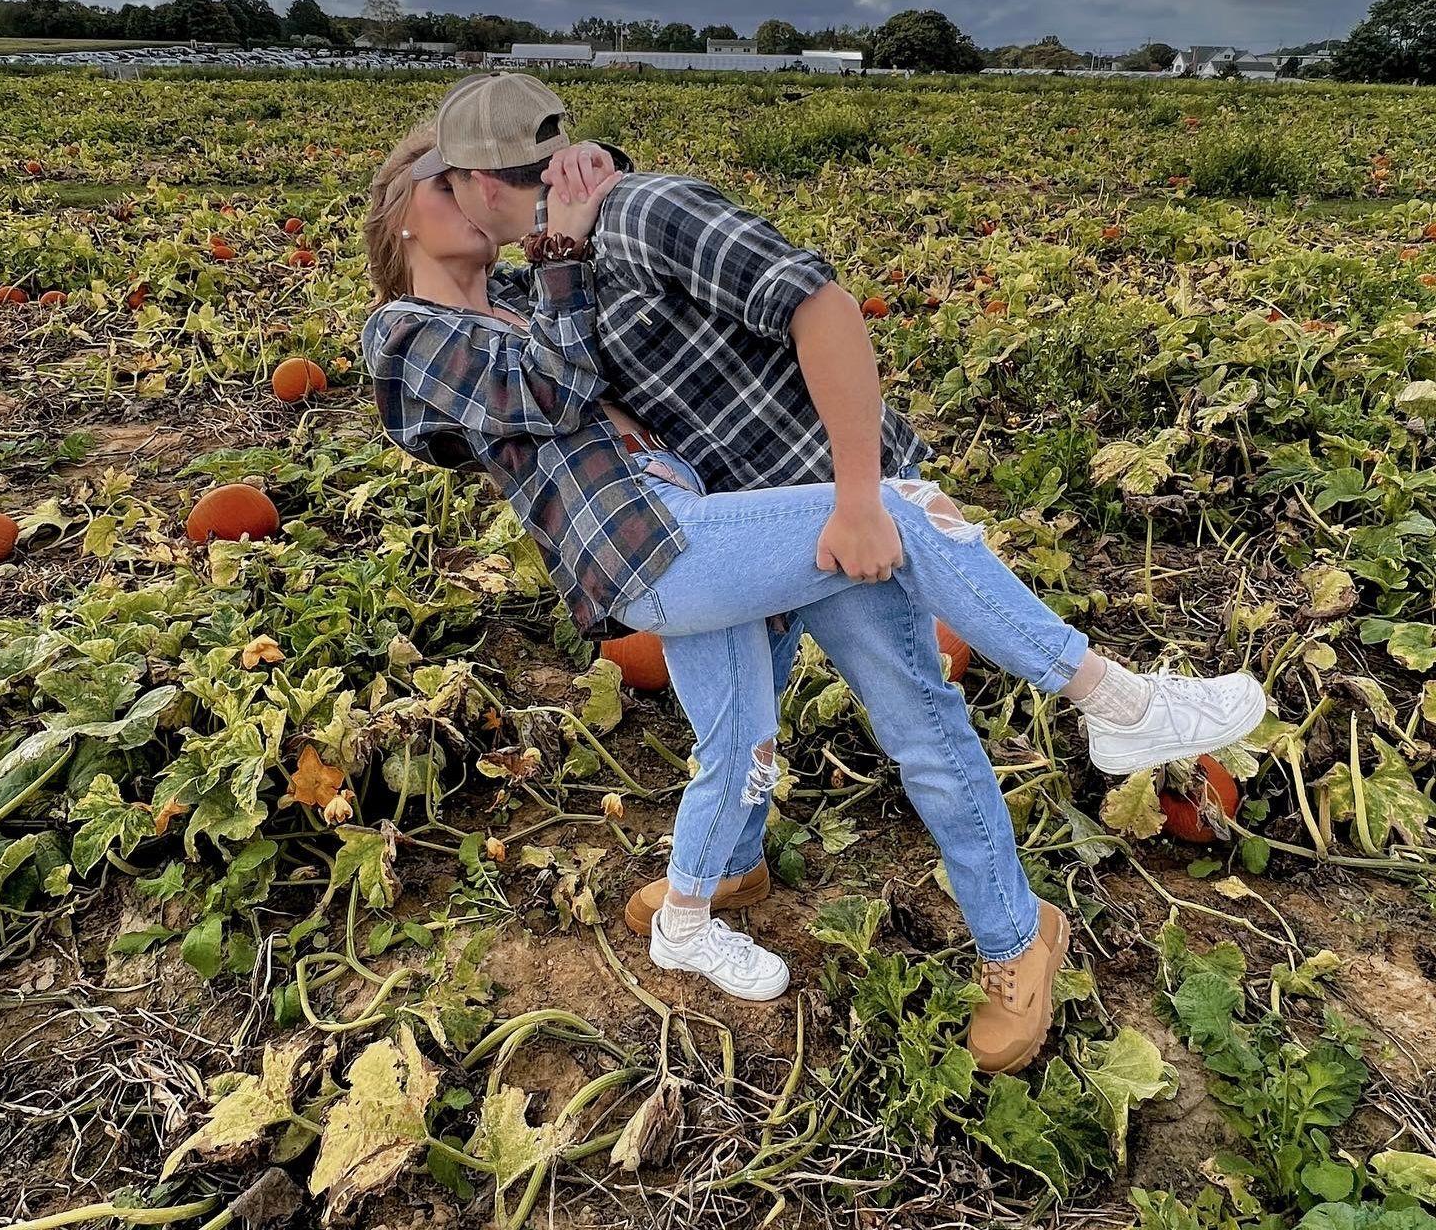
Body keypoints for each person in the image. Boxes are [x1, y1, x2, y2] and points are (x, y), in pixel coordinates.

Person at [360, 76, 1267, 1074]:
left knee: (859, 727)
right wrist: (569, 246)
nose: (463, 193)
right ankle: (1110, 702)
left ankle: (1007, 930)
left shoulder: (551, 273)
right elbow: (553, 384)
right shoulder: (415, 330)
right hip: (681, 540)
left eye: (468, 175)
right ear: (399, 209)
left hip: (774, 512)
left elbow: (756, 294)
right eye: (436, 178)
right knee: (766, 713)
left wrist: (583, 204)